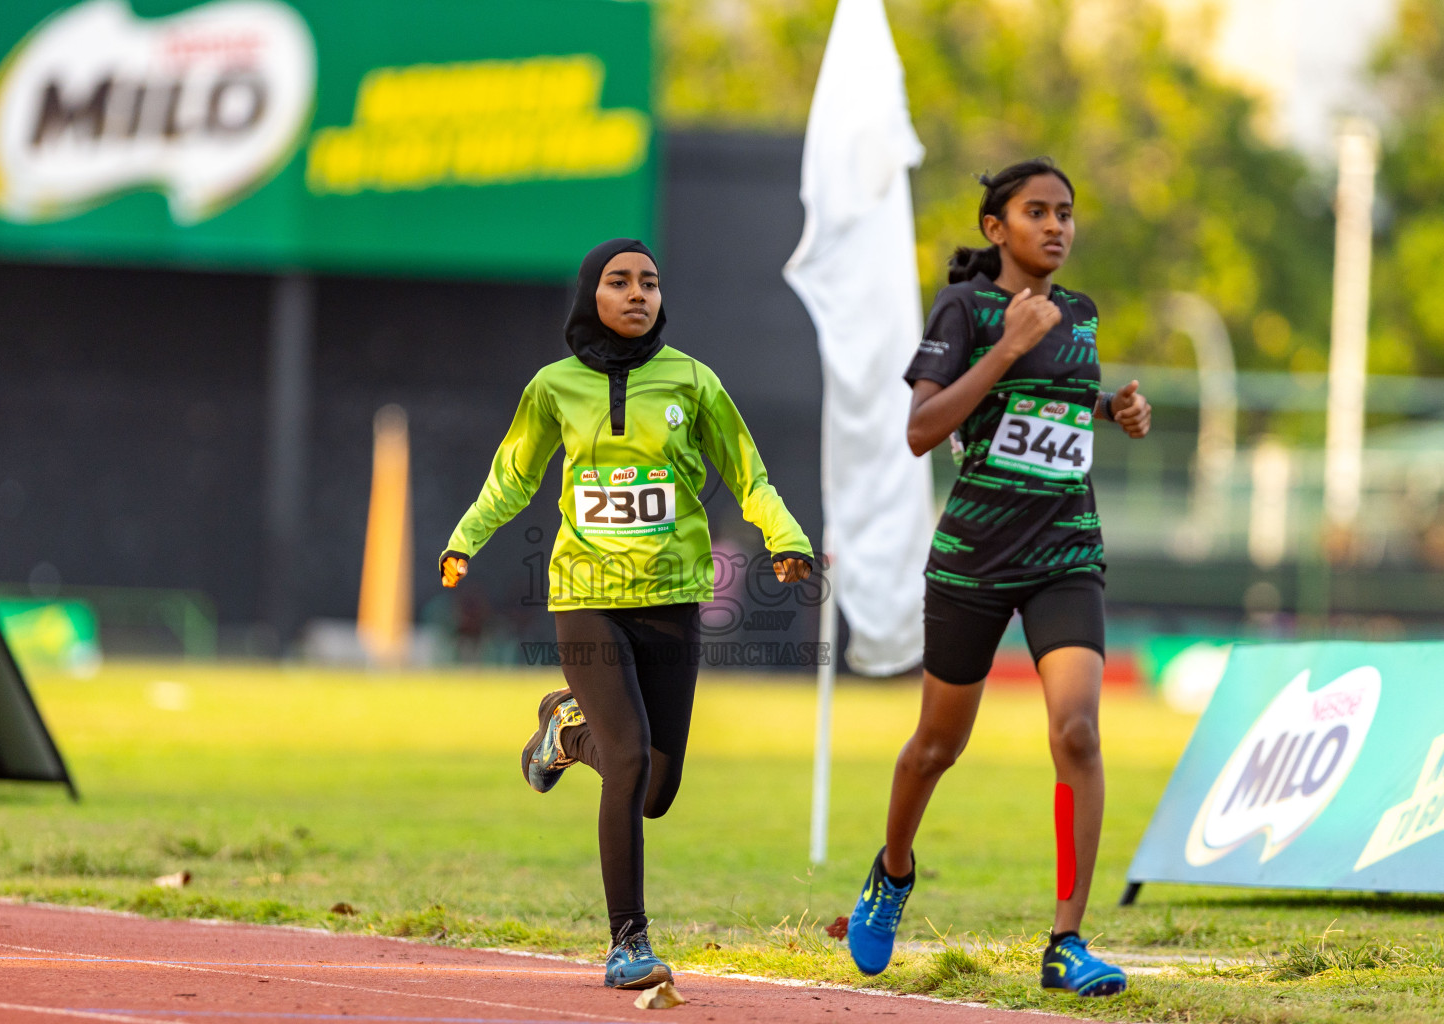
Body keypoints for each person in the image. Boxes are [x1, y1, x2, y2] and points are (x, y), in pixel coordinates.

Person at [439, 238, 814, 990]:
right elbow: (512, 479)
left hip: (672, 597)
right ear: (592, 295)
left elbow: (749, 474)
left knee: (654, 791)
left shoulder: (694, 381)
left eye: (649, 282)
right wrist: (465, 539)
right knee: (634, 754)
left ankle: (565, 733)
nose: (638, 293)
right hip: (585, 594)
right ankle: (628, 944)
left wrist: (787, 535)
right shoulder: (553, 388)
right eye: (619, 282)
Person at [844, 159, 1151, 997]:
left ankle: (1066, 940)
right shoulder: (966, 309)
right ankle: (893, 869)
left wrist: (1112, 409)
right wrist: (1007, 346)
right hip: (975, 557)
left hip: (1066, 550)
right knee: (937, 746)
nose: (1056, 227)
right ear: (996, 228)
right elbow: (922, 429)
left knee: (1078, 733)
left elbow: (1057, 401)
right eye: (1037, 212)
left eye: (1066, 214)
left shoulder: (1081, 313)